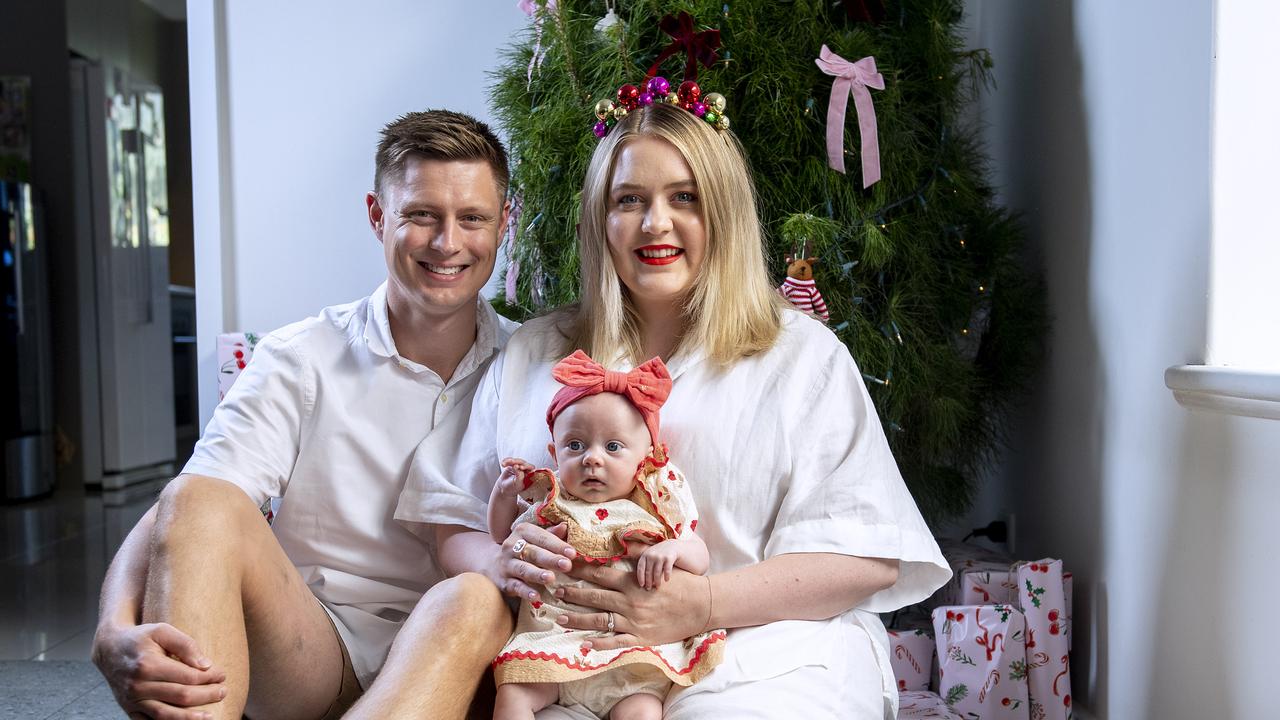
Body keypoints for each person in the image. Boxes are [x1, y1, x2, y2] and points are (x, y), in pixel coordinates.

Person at [396, 88, 951, 719]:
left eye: (683, 198)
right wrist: (501, 562)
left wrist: (702, 606)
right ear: (600, 220)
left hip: (766, 654)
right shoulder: (536, 350)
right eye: (629, 200)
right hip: (569, 660)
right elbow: (454, 517)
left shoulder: (800, 356)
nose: (654, 223)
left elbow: (865, 557)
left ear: (724, 213)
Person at [91, 110, 520, 720]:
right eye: (421, 215)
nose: (447, 242)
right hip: (312, 650)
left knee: (474, 597)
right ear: (377, 215)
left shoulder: (531, 365)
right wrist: (111, 628)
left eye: (471, 218)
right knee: (200, 498)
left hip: (458, 661)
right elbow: (186, 506)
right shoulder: (302, 356)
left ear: (504, 223)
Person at [488, 350, 723, 720]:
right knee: (513, 692)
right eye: (575, 446)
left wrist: (674, 549)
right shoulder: (551, 501)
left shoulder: (653, 504)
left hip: (628, 658)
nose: (592, 459)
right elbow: (502, 534)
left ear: (646, 457)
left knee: (642, 711)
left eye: (612, 447)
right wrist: (504, 493)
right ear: (554, 453)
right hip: (553, 643)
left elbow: (699, 554)